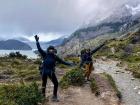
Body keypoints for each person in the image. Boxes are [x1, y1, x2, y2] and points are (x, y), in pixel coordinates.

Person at [35, 35, 72, 102]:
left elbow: (63, 62)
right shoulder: (45, 54)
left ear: (54, 50)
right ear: (48, 50)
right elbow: (39, 49)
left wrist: (70, 64)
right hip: (45, 72)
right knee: (45, 83)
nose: (51, 50)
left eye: (52, 49)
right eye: (50, 49)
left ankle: (52, 97)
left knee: (54, 84)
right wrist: (37, 41)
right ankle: (45, 97)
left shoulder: (55, 57)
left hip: (49, 72)